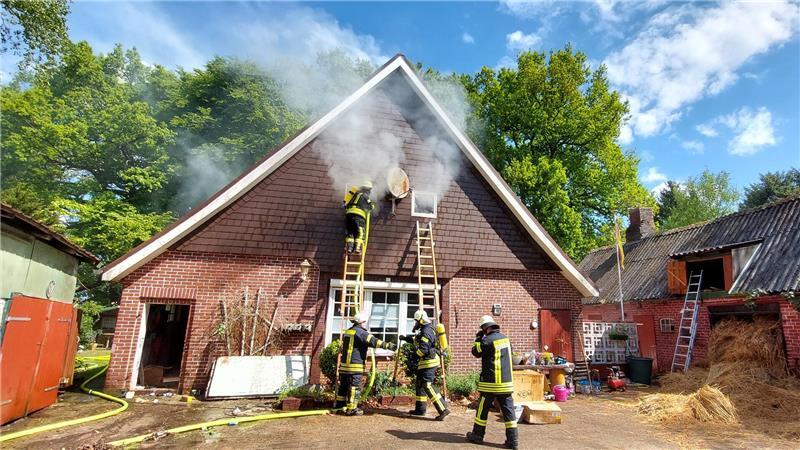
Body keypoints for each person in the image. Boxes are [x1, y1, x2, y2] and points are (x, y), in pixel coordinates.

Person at [467, 315, 518, 449]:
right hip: (506, 384)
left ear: (485, 328)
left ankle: (477, 435)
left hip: (491, 384)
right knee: (509, 412)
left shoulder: (487, 341)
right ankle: (513, 441)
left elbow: (476, 352)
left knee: (482, 410)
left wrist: (478, 339)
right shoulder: (506, 339)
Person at [336, 310, 396, 415]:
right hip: (355, 366)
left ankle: (340, 406)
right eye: (365, 322)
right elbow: (374, 341)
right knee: (354, 387)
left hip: (345, 365)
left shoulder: (348, 331)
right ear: (362, 322)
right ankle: (352, 409)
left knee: (344, 386)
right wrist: (389, 346)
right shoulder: (362, 333)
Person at [399, 310, 450, 420]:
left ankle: (443, 409)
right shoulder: (424, 329)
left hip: (429, 362)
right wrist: (405, 338)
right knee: (420, 385)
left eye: (417, 321)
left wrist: (413, 357)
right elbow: (417, 340)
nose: (416, 323)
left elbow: (423, 349)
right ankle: (420, 409)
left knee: (427, 385)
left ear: (421, 320)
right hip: (424, 362)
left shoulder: (427, 331)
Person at [343, 181, 374, 254]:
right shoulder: (365, 196)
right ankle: (357, 248)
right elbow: (371, 207)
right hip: (359, 216)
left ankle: (349, 248)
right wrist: (372, 206)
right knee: (360, 232)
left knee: (350, 231)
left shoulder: (353, 194)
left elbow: (345, 203)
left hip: (349, 215)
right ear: (367, 189)